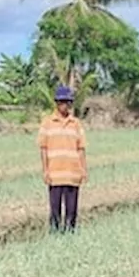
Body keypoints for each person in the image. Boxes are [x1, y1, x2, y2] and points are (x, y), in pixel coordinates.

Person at [37, 85, 88, 232]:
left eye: (68, 102)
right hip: (55, 174)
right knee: (55, 210)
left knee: (71, 210)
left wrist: (83, 170)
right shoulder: (47, 123)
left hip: (72, 173)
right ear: (57, 103)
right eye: (62, 102)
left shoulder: (76, 124)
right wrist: (45, 171)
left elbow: (81, 148)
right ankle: (55, 233)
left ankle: (70, 233)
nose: (65, 105)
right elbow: (43, 148)